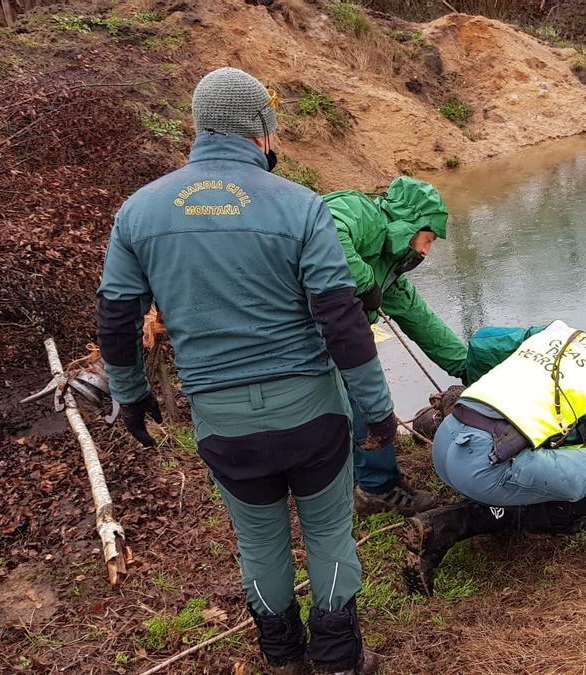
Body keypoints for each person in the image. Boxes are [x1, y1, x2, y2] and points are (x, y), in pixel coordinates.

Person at [95, 67, 390, 674]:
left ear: (199, 127)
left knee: (259, 543)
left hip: (224, 424)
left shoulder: (138, 212)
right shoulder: (302, 207)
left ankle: (281, 661)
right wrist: (380, 411)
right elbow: (342, 322)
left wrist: (130, 395)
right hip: (312, 414)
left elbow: (115, 318)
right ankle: (337, 662)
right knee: (330, 532)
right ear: (261, 129)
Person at [401, 317, 586, 596]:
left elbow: (483, 343)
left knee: (539, 460)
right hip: (483, 463)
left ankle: (441, 524)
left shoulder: (559, 334)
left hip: (447, 441)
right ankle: (458, 526)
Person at [323, 177, 467, 516]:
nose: (426, 251)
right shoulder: (361, 211)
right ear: (410, 223)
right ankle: (376, 488)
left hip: (331, 341)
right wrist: (364, 281)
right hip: (299, 337)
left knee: (351, 407)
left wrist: (470, 368)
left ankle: (347, 482)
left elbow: (427, 326)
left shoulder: (391, 277)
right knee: (368, 405)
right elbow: (324, 226)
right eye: (428, 239)